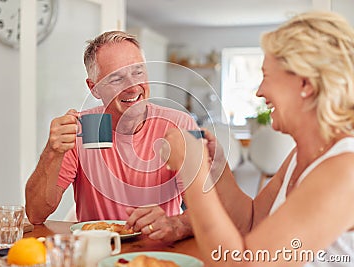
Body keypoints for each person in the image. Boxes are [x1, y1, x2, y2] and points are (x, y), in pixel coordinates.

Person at [163, 11, 354, 266]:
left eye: (266, 75)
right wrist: (216, 166)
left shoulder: (344, 170)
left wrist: (191, 171)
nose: (260, 91)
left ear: (306, 84)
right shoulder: (301, 156)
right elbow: (251, 221)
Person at [25, 31, 197, 242]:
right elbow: (35, 214)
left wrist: (175, 224)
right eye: (116, 78)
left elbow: (206, 211)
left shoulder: (180, 125)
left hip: (158, 250)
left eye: (138, 72)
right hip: (97, 251)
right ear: (94, 88)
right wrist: (52, 152)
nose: (132, 87)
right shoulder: (80, 128)